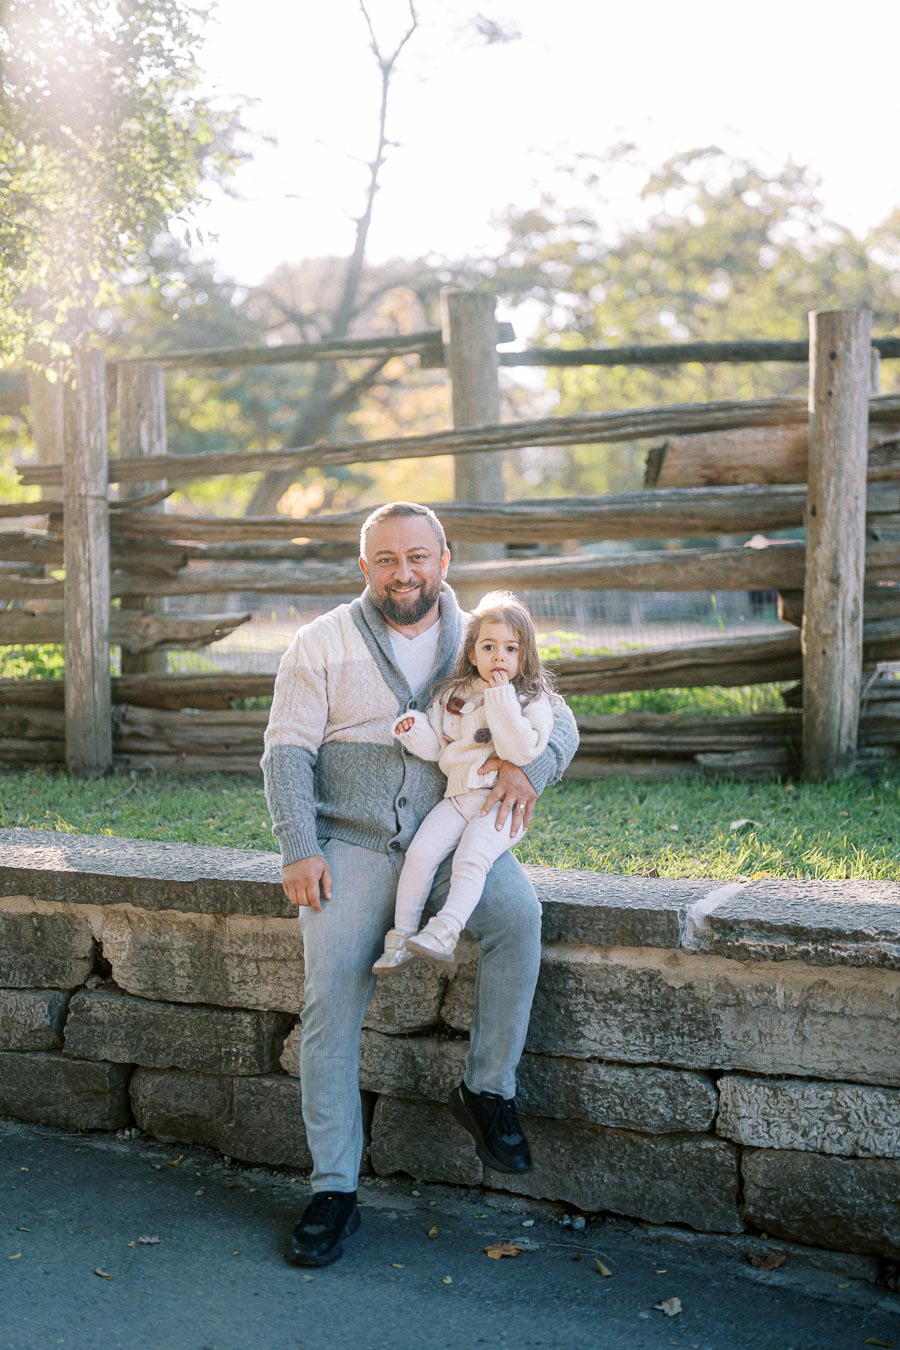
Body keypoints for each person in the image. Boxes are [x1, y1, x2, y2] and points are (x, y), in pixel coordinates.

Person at [262, 501, 579, 1268]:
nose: (403, 573)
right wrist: (300, 848)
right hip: (354, 847)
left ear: (445, 559)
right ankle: (334, 1189)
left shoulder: (479, 635)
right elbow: (285, 752)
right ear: (364, 566)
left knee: (518, 917)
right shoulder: (322, 641)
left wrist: (530, 768)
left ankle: (486, 1089)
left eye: (418, 557)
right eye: (385, 559)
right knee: (331, 994)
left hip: (452, 836)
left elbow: (559, 716)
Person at [373, 591, 559, 973]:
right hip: (457, 799)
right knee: (421, 855)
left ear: (524, 656)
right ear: (472, 653)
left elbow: (520, 750)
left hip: (500, 805)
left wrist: (501, 697)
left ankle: (445, 930)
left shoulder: (531, 699)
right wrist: (414, 730)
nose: (499, 657)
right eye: (489, 647)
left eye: (511, 649)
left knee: (471, 855)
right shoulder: (453, 694)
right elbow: (440, 747)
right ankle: (402, 936)